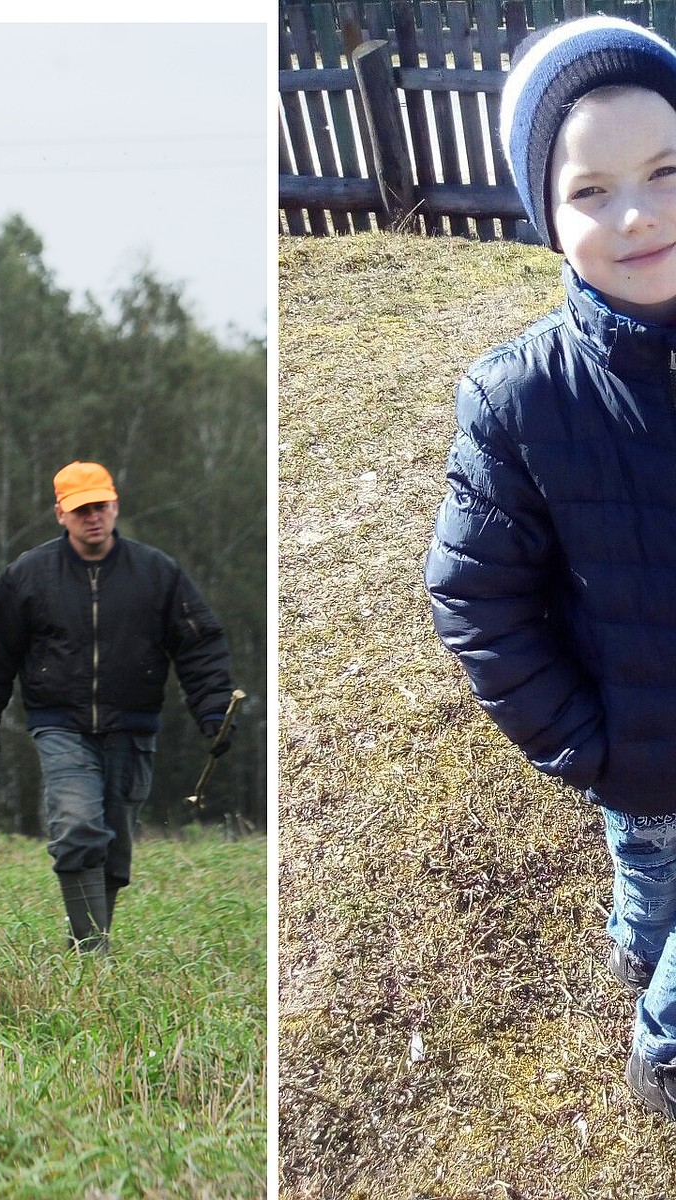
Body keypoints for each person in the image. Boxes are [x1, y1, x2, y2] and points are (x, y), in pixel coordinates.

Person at [424, 15, 676, 1122]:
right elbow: (477, 595)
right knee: (652, 866)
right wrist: (585, 740)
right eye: (592, 191)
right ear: (546, 212)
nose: (639, 212)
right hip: (636, 741)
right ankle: (639, 948)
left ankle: (662, 1045)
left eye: (669, 170)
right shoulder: (519, 399)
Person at [0, 461, 236, 955]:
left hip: (134, 727)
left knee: (113, 849)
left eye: (100, 506)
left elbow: (199, 645)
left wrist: (214, 712)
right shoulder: (27, 576)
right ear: (60, 513)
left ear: (115, 505)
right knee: (78, 825)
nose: (93, 518)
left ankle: (88, 946)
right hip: (59, 725)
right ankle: (92, 956)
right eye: (81, 509)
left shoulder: (156, 572)